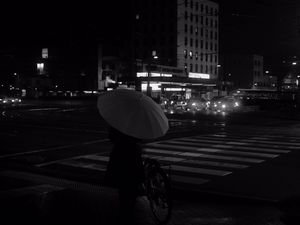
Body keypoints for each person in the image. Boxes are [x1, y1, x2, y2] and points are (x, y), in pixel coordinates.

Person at [104, 126, 145, 225]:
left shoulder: (118, 123)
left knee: (123, 186)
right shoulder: (136, 124)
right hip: (133, 155)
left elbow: (111, 137)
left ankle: (125, 212)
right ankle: (129, 210)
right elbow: (140, 138)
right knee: (132, 184)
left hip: (120, 154)